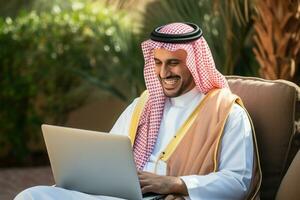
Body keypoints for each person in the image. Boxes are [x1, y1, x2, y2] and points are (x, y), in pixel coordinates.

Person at [15, 22, 261, 200]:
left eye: (173, 63)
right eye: (158, 62)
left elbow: (238, 181)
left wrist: (174, 184)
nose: (164, 72)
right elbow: (106, 155)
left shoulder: (227, 111)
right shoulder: (142, 105)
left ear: (195, 64)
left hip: (169, 197)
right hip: (121, 195)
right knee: (32, 196)